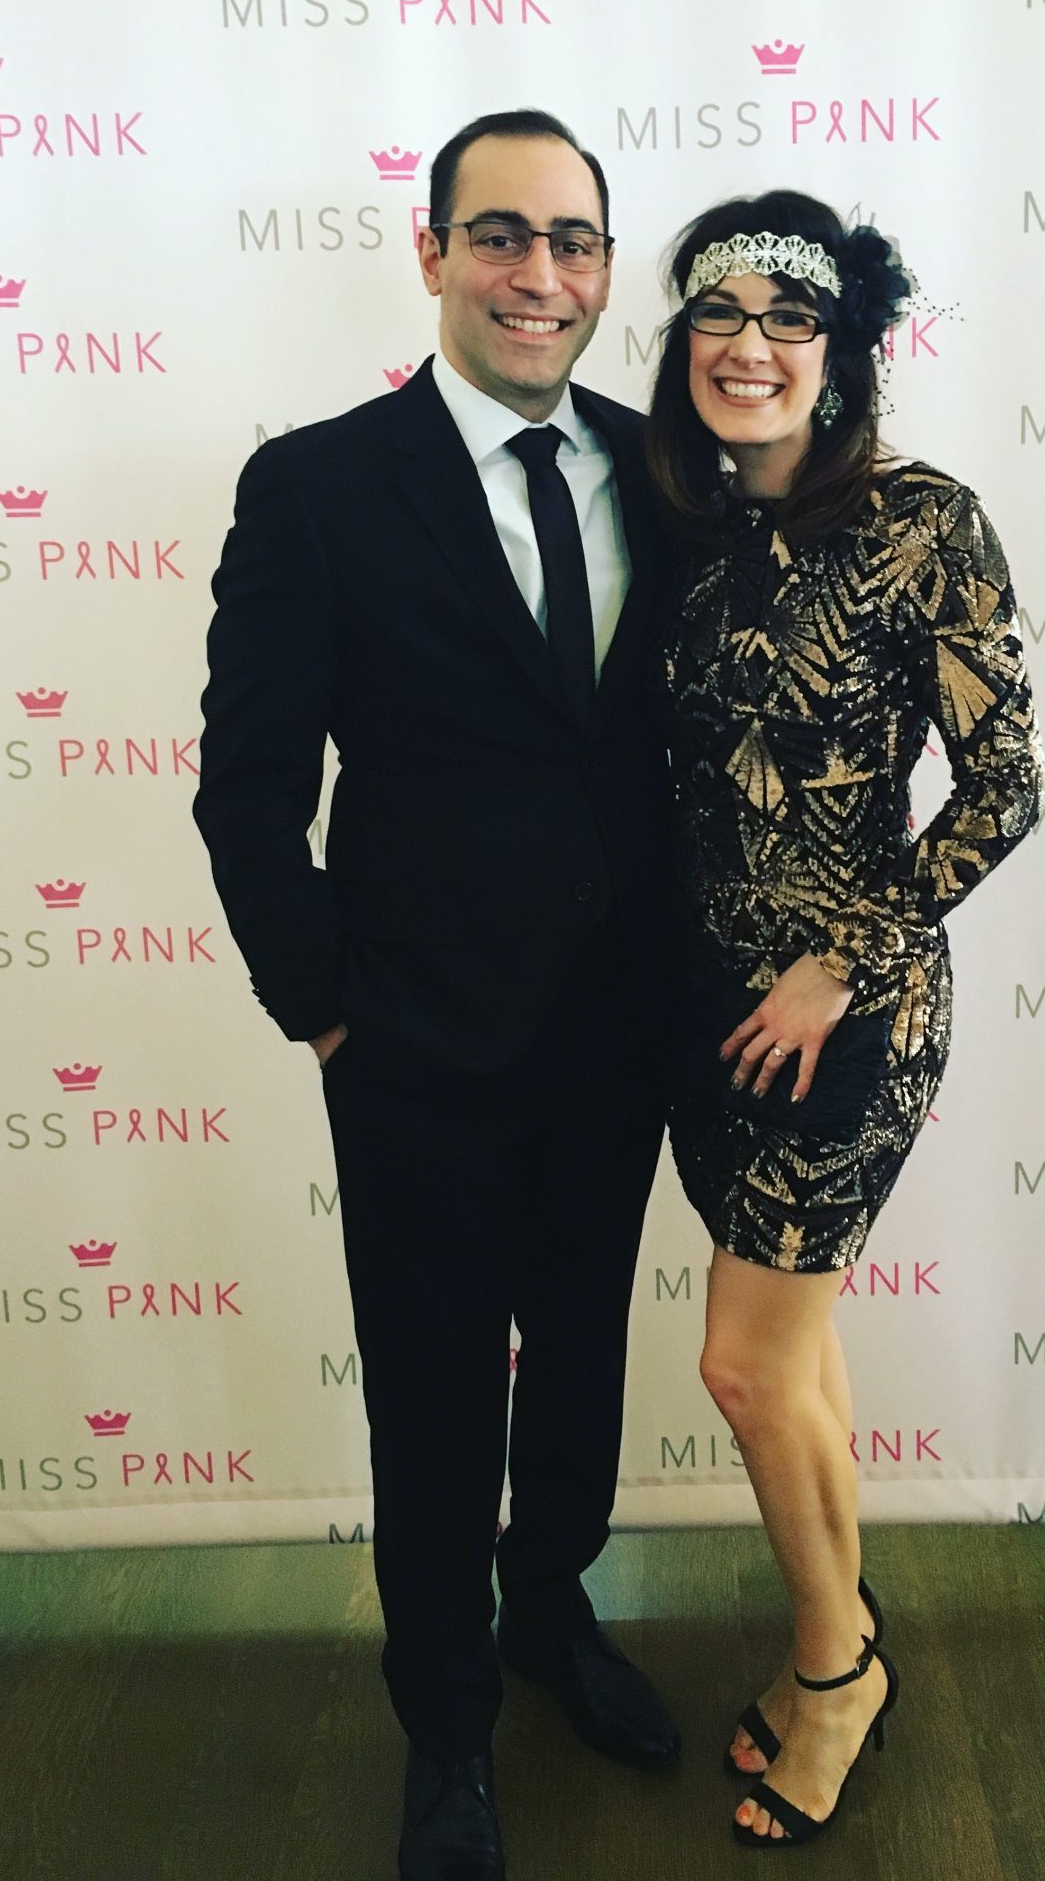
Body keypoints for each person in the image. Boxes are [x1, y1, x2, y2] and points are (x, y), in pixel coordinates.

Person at [193, 108, 681, 1881]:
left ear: (606, 271)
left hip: (622, 1035)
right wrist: (325, 1005)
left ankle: (550, 1610)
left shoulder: (664, 470)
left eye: (573, 241)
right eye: (501, 235)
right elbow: (249, 785)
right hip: (414, 1047)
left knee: (583, 1361)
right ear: (433, 254)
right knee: (433, 1395)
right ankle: (448, 1727)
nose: (539, 275)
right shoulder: (319, 486)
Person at [647, 191, 1044, 1848]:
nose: (749, 346)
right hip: (699, 1010)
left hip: (850, 1010)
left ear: (843, 348)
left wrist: (842, 958)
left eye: (788, 318)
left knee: (741, 1367)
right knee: (792, 1359)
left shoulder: (921, 521)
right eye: (718, 312)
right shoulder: (671, 520)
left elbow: (1004, 783)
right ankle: (841, 1623)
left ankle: (835, 1671)